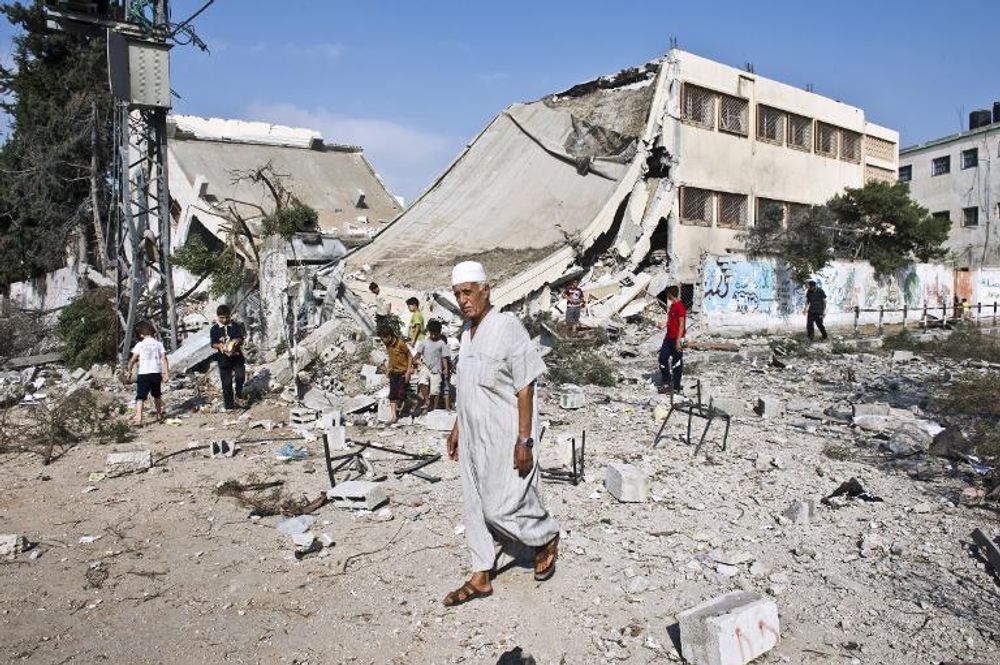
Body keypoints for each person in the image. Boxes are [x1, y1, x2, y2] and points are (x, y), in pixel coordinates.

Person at [443, 260, 560, 607]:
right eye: (457, 294)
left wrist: (524, 440)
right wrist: (457, 426)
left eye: (468, 292)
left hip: (504, 434)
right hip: (473, 435)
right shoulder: (466, 334)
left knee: (499, 507)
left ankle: (545, 536)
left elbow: (526, 386)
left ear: (485, 290)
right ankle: (481, 573)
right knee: (475, 506)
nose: (463, 300)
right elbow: (467, 387)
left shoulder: (507, 326)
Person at [127, 321, 168, 426]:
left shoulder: (140, 345)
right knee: (157, 395)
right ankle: (159, 415)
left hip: (144, 373)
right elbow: (164, 359)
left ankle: (139, 418)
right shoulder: (159, 344)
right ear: (152, 332)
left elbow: (133, 360)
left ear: (141, 334)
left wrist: (129, 371)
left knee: (140, 397)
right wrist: (165, 373)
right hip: (155, 372)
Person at [210, 304, 246, 410]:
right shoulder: (214, 329)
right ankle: (230, 406)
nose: (225, 320)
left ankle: (239, 392)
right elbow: (213, 344)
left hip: (237, 357)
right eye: (222, 317)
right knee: (226, 383)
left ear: (230, 316)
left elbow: (241, 338)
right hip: (223, 359)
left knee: (240, 376)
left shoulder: (235, 326)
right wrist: (220, 346)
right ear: (218, 317)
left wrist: (236, 342)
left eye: (226, 317)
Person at [413, 319, 452, 412]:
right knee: (422, 383)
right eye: (432, 333)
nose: (433, 336)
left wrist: (446, 368)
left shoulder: (442, 344)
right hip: (425, 366)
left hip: (436, 369)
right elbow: (418, 353)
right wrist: (414, 360)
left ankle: (433, 408)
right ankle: (427, 400)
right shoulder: (424, 342)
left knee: (435, 390)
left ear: (439, 332)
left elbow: (444, 357)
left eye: (435, 334)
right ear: (429, 332)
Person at [379, 324, 412, 423]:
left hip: (403, 372)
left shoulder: (400, 343)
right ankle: (394, 417)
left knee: (401, 394)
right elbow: (391, 356)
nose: (383, 340)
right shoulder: (387, 344)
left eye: (384, 338)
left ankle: (412, 404)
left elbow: (409, 356)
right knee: (392, 395)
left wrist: (408, 371)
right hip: (394, 372)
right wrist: (388, 368)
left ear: (389, 336)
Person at [657, 285, 686, 394]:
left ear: (670, 294)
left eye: (667, 294)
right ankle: (667, 382)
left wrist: (678, 341)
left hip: (677, 338)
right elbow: (671, 321)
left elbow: (681, 325)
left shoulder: (680, 307)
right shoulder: (673, 306)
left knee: (677, 362)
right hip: (668, 337)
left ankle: (676, 386)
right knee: (662, 359)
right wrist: (664, 325)